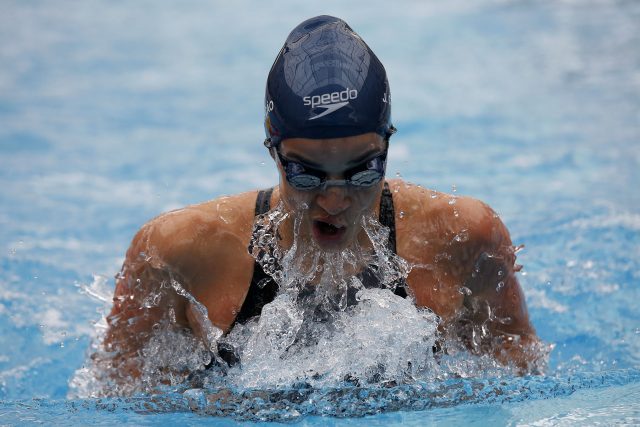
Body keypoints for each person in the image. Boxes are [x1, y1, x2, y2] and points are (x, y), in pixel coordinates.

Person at [103, 15, 542, 382]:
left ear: (388, 145)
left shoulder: (463, 236)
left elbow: (519, 381)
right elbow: (120, 400)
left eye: (363, 170)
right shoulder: (178, 251)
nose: (334, 200)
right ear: (273, 152)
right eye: (306, 174)